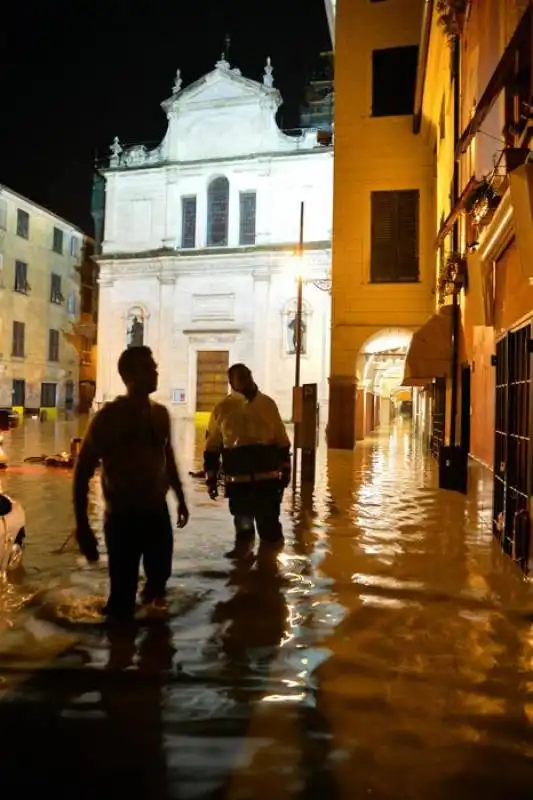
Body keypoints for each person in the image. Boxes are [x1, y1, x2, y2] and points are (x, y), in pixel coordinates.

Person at [73, 346, 189, 621]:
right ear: (131, 375)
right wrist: (82, 527)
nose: (156, 371)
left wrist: (181, 498)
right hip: (122, 518)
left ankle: (153, 653)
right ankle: (119, 655)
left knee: (159, 585)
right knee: (122, 597)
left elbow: (168, 458)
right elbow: (82, 471)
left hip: (156, 515)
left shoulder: (160, 415)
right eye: (149, 367)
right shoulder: (108, 419)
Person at [204, 363, 291, 558]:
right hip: (238, 484)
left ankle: (270, 571)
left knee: (270, 531)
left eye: (247, 375)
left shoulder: (268, 404)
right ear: (231, 382)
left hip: (267, 482)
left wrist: (286, 471)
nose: (245, 380)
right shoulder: (222, 408)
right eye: (240, 377)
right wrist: (211, 478)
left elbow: (282, 440)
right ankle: (243, 574)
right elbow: (212, 446)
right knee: (243, 531)